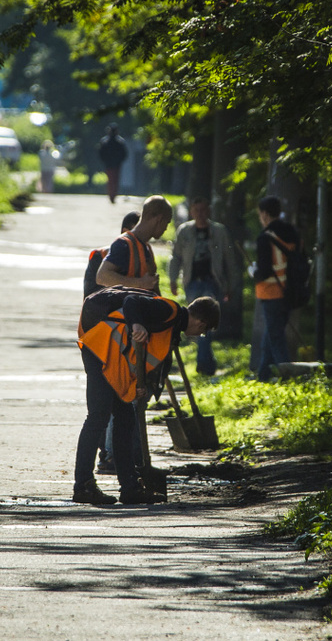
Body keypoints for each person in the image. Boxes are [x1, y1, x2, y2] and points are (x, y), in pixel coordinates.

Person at [73, 289, 221, 505]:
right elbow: (132, 301)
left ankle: (130, 488)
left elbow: (140, 357)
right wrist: (137, 324)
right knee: (98, 417)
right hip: (100, 349)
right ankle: (83, 486)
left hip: (114, 362)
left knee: (125, 419)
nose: (199, 335)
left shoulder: (171, 328)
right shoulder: (168, 310)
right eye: (203, 330)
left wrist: (138, 386)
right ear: (200, 322)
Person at [82, 209, 141, 475]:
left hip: (130, 343)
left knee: (125, 406)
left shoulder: (144, 260)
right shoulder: (101, 257)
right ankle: (106, 458)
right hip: (102, 342)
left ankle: (126, 466)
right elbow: (93, 299)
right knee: (102, 410)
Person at [167, 197, 233, 376]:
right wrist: (173, 279)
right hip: (192, 282)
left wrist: (229, 285)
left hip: (214, 281)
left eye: (204, 210)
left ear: (209, 210)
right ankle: (206, 363)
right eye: (197, 210)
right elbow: (176, 257)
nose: (200, 214)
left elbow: (229, 260)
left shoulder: (219, 231)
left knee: (206, 321)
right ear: (192, 211)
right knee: (198, 321)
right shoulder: (185, 231)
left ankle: (204, 364)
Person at [252, 196, 300, 382]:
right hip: (290, 292)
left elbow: (263, 271)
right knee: (271, 335)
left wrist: (253, 273)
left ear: (264, 214)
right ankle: (263, 376)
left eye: (259, 214)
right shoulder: (292, 232)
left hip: (271, 293)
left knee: (276, 338)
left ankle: (288, 379)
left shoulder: (265, 237)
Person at [95, 194, 173, 292]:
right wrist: (140, 283)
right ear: (159, 219)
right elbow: (102, 277)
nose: (166, 228)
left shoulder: (146, 247)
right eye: (167, 222)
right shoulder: (124, 244)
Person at [83, 210, 140, 299]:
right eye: (138, 233)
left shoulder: (146, 255)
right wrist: (140, 283)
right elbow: (90, 299)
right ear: (125, 232)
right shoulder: (100, 256)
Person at [97, 124, 128, 204]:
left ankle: (112, 195)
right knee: (114, 180)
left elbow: (101, 153)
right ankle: (112, 195)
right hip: (113, 164)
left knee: (112, 180)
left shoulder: (106, 141)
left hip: (112, 164)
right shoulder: (119, 141)